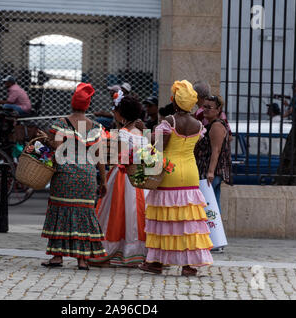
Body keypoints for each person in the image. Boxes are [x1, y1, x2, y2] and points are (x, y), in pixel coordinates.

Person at [139, 80, 213, 276]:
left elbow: (159, 147)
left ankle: (156, 263)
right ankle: (189, 266)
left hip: (169, 171)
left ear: (174, 102)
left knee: (164, 220)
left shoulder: (169, 121)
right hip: (190, 173)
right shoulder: (198, 124)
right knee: (188, 221)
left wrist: (144, 133)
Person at [39, 83, 108, 270]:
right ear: (88, 105)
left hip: (65, 174)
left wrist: (46, 139)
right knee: (84, 213)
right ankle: (82, 259)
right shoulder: (96, 127)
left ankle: (57, 257)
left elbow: (56, 146)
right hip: (87, 176)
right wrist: (103, 180)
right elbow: (98, 156)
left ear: (72, 103)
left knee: (61, 211)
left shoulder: (61, 124)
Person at [88, 96, 149, 268]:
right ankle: (136, 251)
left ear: (122, 115)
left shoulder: (121, 134)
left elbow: (114, 158)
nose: (113, 113)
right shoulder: (142, 135)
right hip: (138, 178)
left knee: (115, 212)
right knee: (135, 213)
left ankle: (111, 249)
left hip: (121, 176)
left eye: (115, 111)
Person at [194, 95, 232, 254]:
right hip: (209, 170)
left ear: (218, 110)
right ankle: (217, 239)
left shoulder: (216, 126)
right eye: (204, 106)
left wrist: (210, 171)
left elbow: (216, 151)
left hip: (211, 171)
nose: (205, 110)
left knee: (210, 205)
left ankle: (214, 239)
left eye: (209, 107)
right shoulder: (211, 124)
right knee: (213, 204)